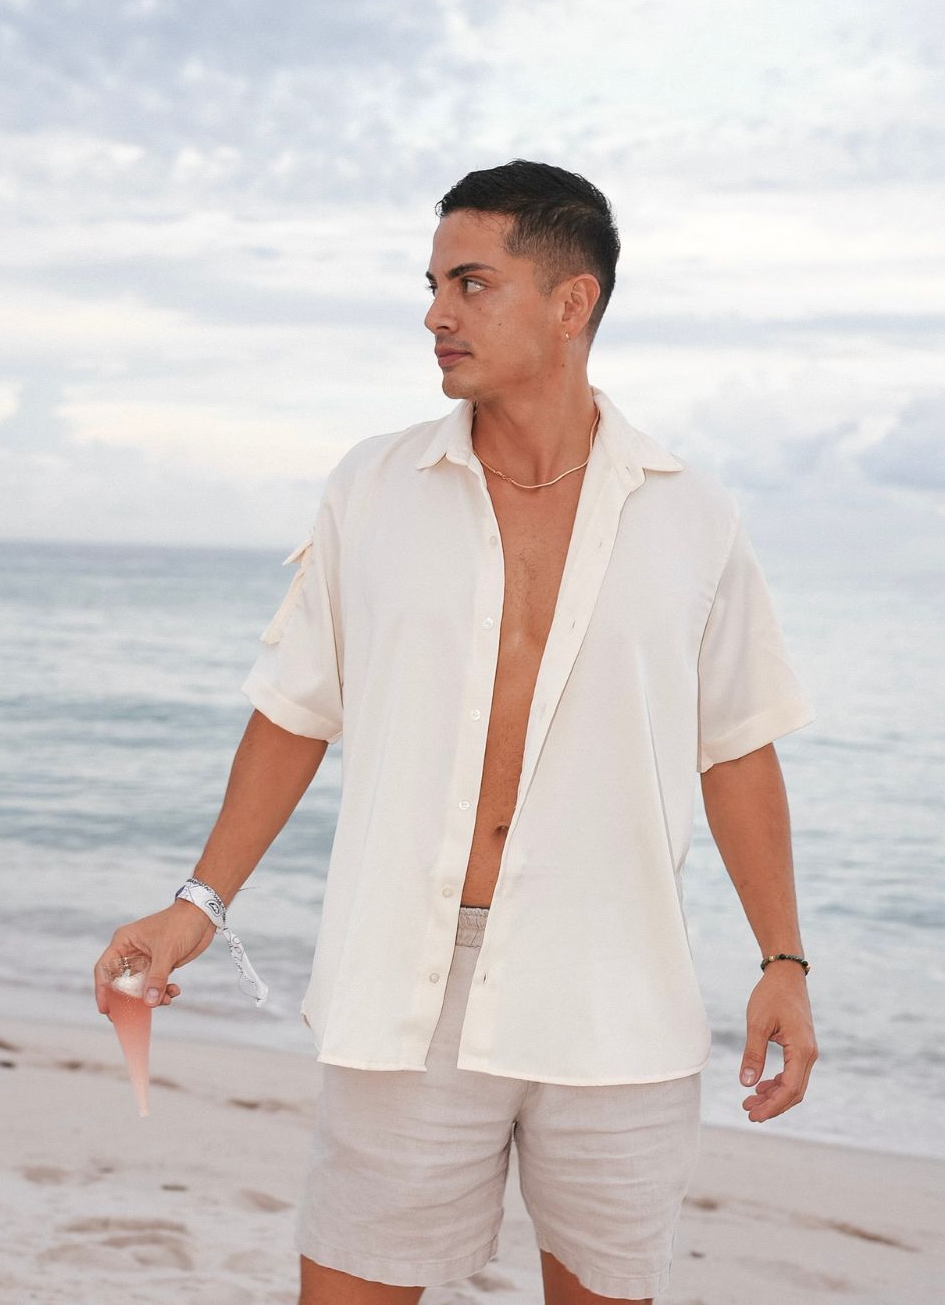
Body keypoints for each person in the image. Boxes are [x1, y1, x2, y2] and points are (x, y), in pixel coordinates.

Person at [94, 159, 819, 1304]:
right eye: (432, 285)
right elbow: (295, 714)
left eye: (470, 283)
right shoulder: (374, 487)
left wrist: (783, 960)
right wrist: (197, 905)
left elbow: (736, 746)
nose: (436, 313)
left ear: (572, 301)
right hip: (406, 992)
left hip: (614, 997)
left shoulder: (692, 513)